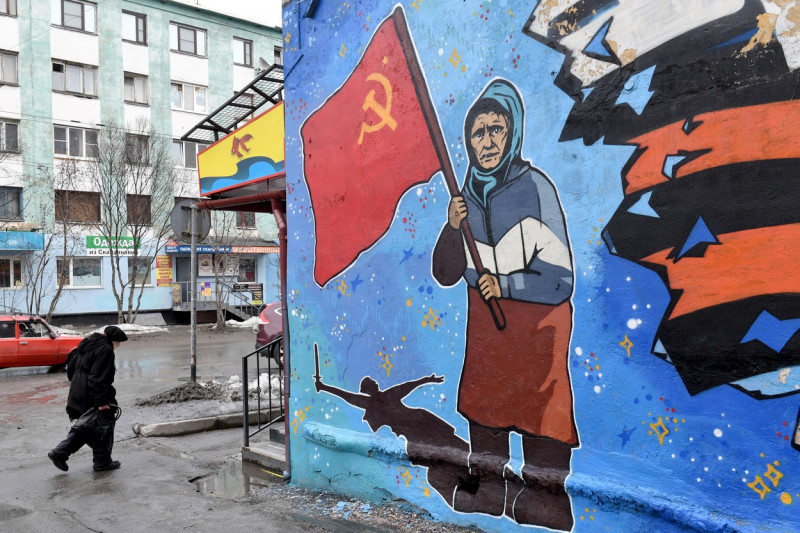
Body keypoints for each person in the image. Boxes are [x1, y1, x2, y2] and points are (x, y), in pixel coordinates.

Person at [432, 79, 577, 530]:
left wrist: (508, 285)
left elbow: (561, 279)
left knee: (542, 418)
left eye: (497, 129)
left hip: (537, 336)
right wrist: (451, 228)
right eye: (478, 133)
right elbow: (446, 273)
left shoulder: (536, 188)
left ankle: (549, 503)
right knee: (486, 410)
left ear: (512, 134)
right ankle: (490, 493)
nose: (488, 141)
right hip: (489, 337)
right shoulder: (465, 197)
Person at [48, 325, 128, 473]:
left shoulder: (87, 344)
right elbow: (97, 378)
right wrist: (101, 402)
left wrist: (79, 384)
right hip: (92, 392)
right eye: (118, 343)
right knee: (102, 423)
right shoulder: (106, 350)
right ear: (113, 341)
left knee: (91, 426)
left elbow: (71, 368)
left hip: (78, 390)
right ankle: (62, 452)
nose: (118, 346)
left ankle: (101, 461)